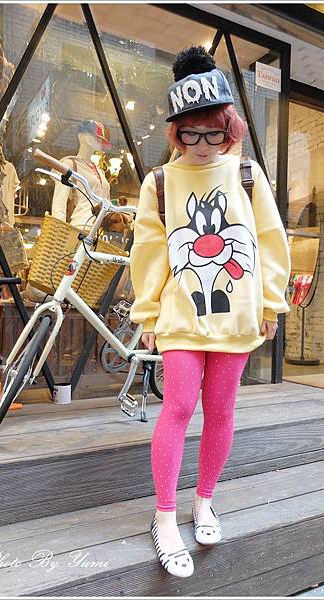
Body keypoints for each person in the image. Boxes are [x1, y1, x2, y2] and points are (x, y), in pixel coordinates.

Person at [129, 46, 291, 578]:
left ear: (230, 128)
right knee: (177, 406)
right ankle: (164, 516)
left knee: (220, 410)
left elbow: (271, 241)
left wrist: (271, 302)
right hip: (180, 317)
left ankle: (204, 501)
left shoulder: (246, 174)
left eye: (213, 134)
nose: (202, 145)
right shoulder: (159, 182)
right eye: (190, 134)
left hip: (236, 316)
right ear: (175, 132)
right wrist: (147, 315)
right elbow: (149, 253)